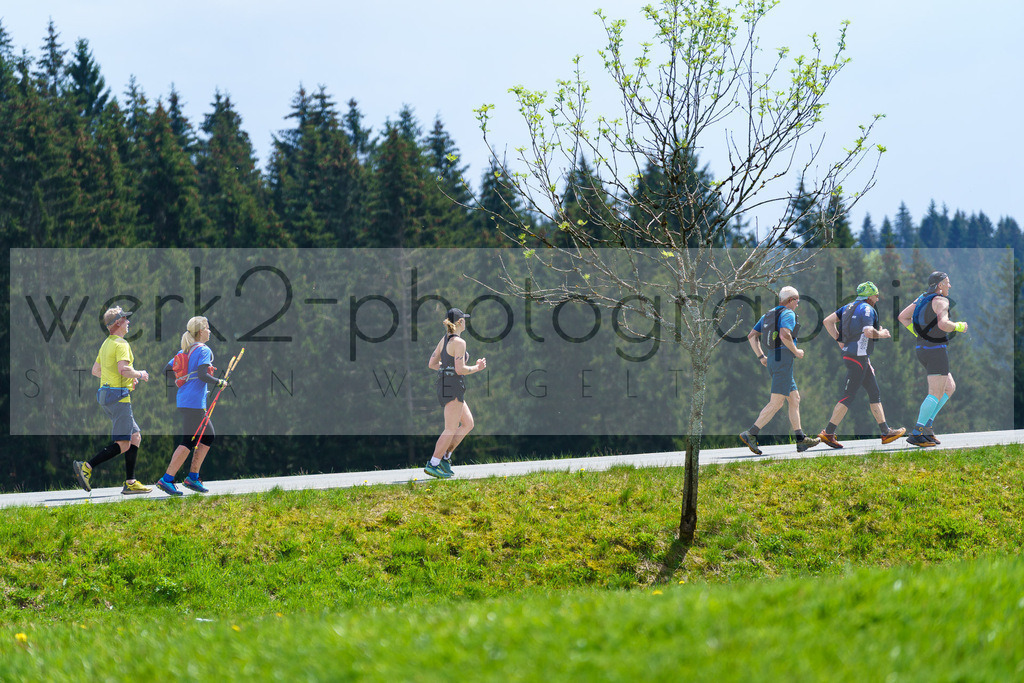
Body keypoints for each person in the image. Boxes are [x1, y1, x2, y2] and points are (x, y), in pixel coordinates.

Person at [73, 306, 153, 495]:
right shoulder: (121, 344)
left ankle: (131, 482)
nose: (128, 322)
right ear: (118, 323)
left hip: (106, 396)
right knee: (124, 443)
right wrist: (140, 374)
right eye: (126, 319)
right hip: (119, 398)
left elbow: (96, 371)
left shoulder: (106, 343)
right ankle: (87, 466)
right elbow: (123, 369)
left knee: (135, 437)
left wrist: (125, 378)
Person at [816, 282, 906, 448]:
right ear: (869, 296)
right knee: (848, 396)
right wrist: (882, 334)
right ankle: (828, 432)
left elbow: (827, 321)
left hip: (857, 356)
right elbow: (868, 332)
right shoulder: (867, 309)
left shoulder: (847, 307)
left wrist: (839, 340)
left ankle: (885, 431)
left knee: (874, 392)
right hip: (858, 358)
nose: (877, 299)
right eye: (876, 295)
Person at [739, 286, 820, 455]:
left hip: (772, 359)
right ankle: (751, 433)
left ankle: (800, 439)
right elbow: (784, 335)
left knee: (794, 398)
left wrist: (761, 357)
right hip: (783, 361)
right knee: (776, 403)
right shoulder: (788, 313)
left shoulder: (769, 314)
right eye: (797, 300)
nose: (798, 304)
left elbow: (751, 336)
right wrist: (796, 352)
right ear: (791, 300)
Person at [156, 316, 229, 496]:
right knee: (188, 441)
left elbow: (166, 370)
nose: (210, 331)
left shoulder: (186, 350)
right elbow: (204, 375)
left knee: (207, 436)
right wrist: (219, 381)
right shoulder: (203, 350)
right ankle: (167, 479)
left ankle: (192, 477)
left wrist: (182, 379)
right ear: (201, 331)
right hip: (194, 403)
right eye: (208, 328)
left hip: (186, 401)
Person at [897, 271, 966, 447]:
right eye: (947, 282)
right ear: (940, 285)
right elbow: (943, 324)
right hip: (936, 350)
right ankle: (917, 433)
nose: (949, 286)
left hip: (922, 349)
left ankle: (927, 427)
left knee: (949, 387)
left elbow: (902, 317)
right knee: (935, 393)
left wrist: (920, 333)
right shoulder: (942, 301)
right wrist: (959, 326)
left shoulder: (921, 298)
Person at [425, 308, 486, 479]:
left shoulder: (444, 340)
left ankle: (445, 457)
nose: (466, 321)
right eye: (464, 319)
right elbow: (460, 370)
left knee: (468, 423)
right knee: (450, 428)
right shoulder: (459, 342)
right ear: (460, 322)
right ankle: (433, 463)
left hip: (444, 385)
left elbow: (432, 363)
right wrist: (477, 367)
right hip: (453, 386)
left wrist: (447, 369)